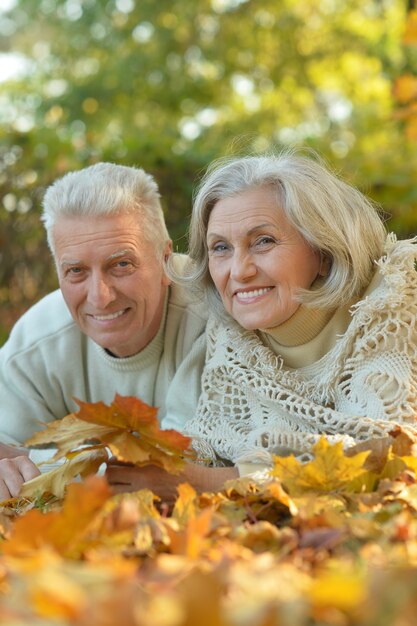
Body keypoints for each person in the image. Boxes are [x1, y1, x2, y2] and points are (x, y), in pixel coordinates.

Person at [163, 150, 417, 475]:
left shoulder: (394, 313)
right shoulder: (227, 341)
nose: (239, 271)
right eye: (221, 248)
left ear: (324, 251)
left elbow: (385, 458)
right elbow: (187, 447)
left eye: (263, 241)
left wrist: (218, 482)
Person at [0, 162, 207, 500]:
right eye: (76, 271)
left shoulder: (216, 316)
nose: (100, 297)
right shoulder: (35, 343)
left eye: (121, 264)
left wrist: (37, 466)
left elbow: (178, 466)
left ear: (165, 260)